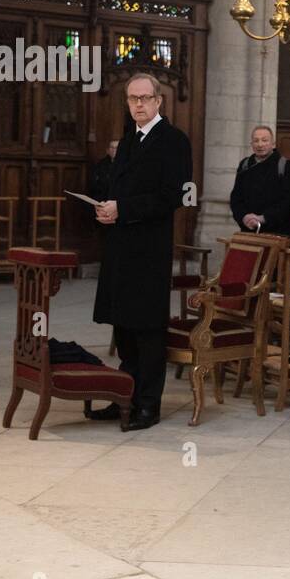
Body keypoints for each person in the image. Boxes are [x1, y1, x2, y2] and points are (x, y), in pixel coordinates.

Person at [90, 73, 192, 431]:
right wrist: (107, 209)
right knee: (125, 327)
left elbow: (171, 197)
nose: (138, 104)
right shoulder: (129, 141)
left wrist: (124, 210)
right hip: (121, 247)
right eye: (132, 98)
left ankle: (148, 405)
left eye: (145, 98)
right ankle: (124, 398)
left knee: (147, 330)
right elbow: (120, 189)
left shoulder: (174, 141)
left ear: (159, 101)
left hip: (149, 250)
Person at [229, 125, 290, 236]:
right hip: (250, 230)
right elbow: (236, 198)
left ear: (273, 144)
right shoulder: (245, 165)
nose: (260, 144)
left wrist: (263, 218)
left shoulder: (286, 166)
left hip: (280, 233)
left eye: (264, 140)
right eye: (256, 141)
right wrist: (244, 217)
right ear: (251, 144)